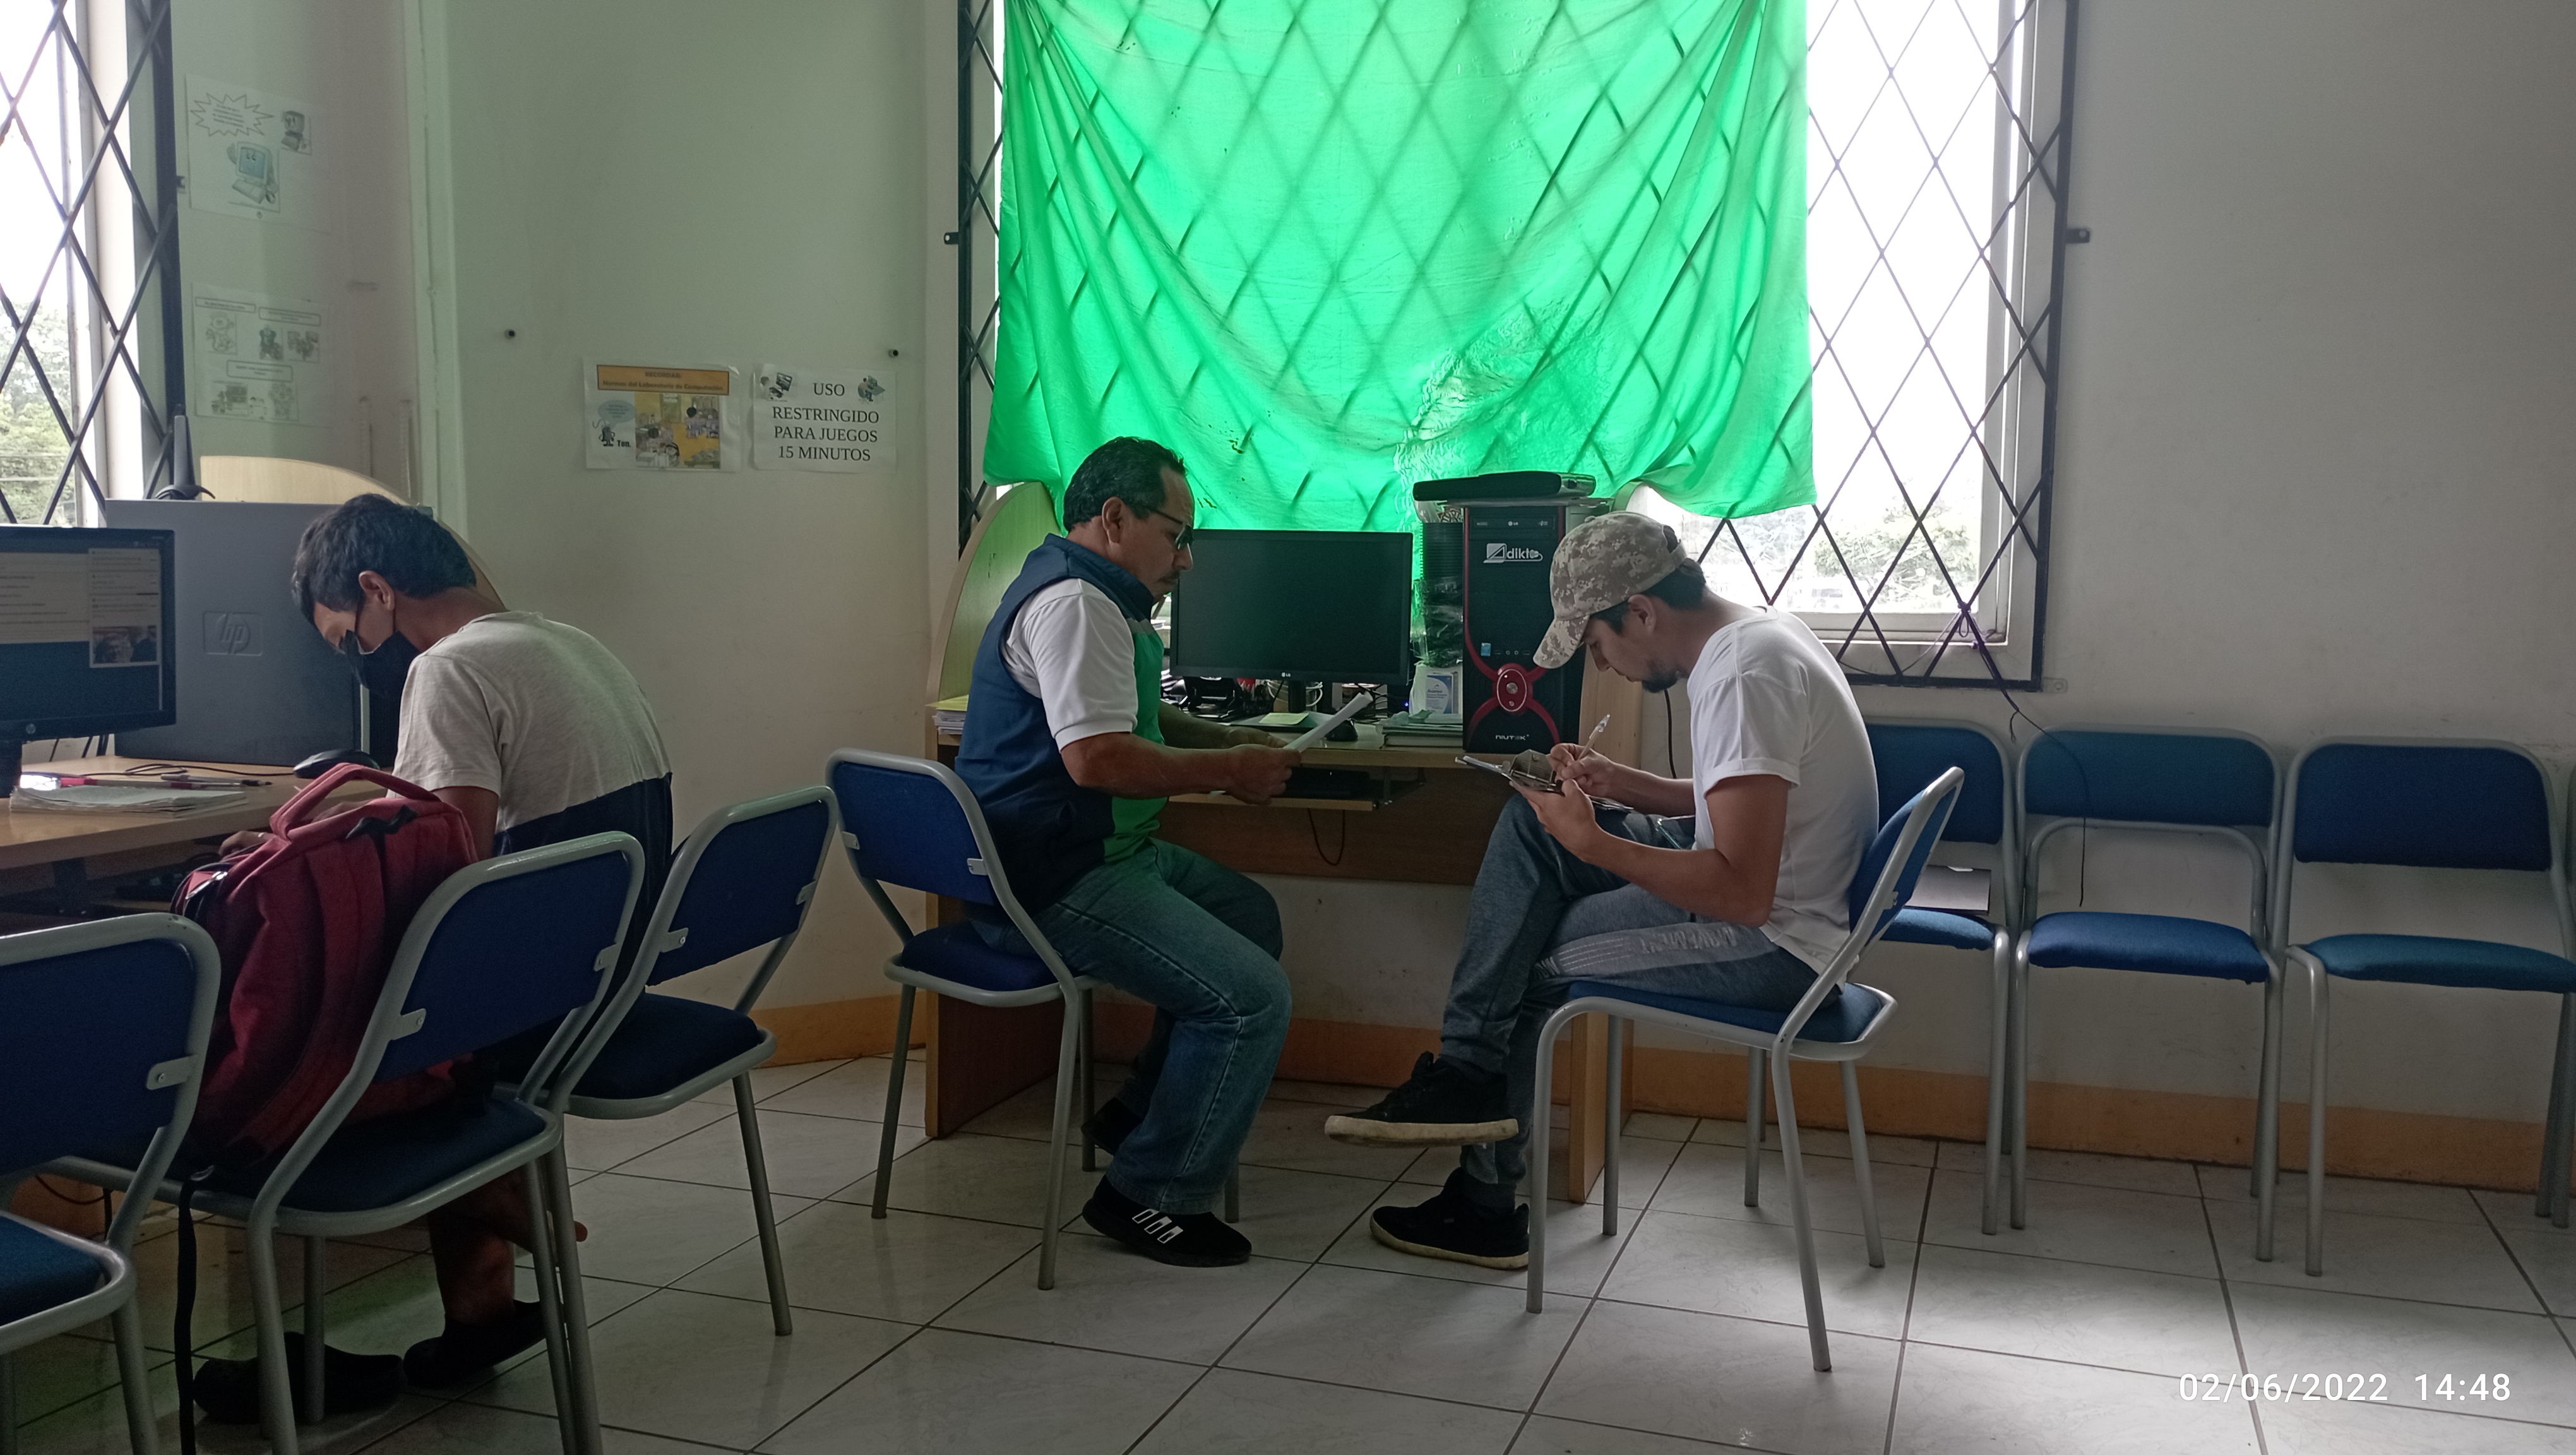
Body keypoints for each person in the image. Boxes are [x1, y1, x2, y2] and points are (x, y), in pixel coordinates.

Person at [200, 494, 674, 1409]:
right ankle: (481, 1310)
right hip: (599, 974)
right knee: (402, 997)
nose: (356, 660)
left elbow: (445, 866)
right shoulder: (568, 643)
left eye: (347, 638)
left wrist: (284, 856)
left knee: (290, 1027)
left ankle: (468, 1202)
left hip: (520, 1005)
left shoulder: (449, 670)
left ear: (377, 589)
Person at [1325, 511, 1876, 1270]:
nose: (1603, 667)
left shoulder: (1744, 675)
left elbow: (1744, 892)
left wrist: (1593, 841)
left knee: (1526, 962)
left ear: (1641, 612)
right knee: (1531, 831)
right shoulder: (1761, 636)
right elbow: (1739, 803)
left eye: (1596, 643)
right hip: (1765, 900)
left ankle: (1484, 1205)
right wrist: (1623, 785)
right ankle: (1466, 1071)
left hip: (1771, 943)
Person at [957, 436, 1301, 1267]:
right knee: (1252, 1000)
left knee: (1249, 916)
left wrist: (1224, 740)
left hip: (1099, 854)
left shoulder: (1099, 595)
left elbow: (1131, 717)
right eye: (1174, 535)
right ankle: (1150, 1195)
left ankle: (1140, 1113)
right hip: (1058, 877)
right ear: (1114, 518)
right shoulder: (1076, 605)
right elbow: (1099, 759)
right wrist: (1229, 772)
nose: (1185, 558)